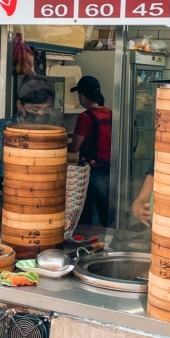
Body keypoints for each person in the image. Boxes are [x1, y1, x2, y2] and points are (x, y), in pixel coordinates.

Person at [0, 76, 56, 216]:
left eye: (47, 109)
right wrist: (2, 182)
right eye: (35, 109)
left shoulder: (51, 135)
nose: (41, 114)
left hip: (36, 209)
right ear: (20, 105)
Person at [68, 76, 113, 226]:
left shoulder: (85, 117)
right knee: (105, 214)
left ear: (82, 96)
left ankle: (83, 242)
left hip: (89, 173)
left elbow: (74, 148)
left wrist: (57, 145)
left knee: (85, 215)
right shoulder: (110, 113)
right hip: (108, 170)